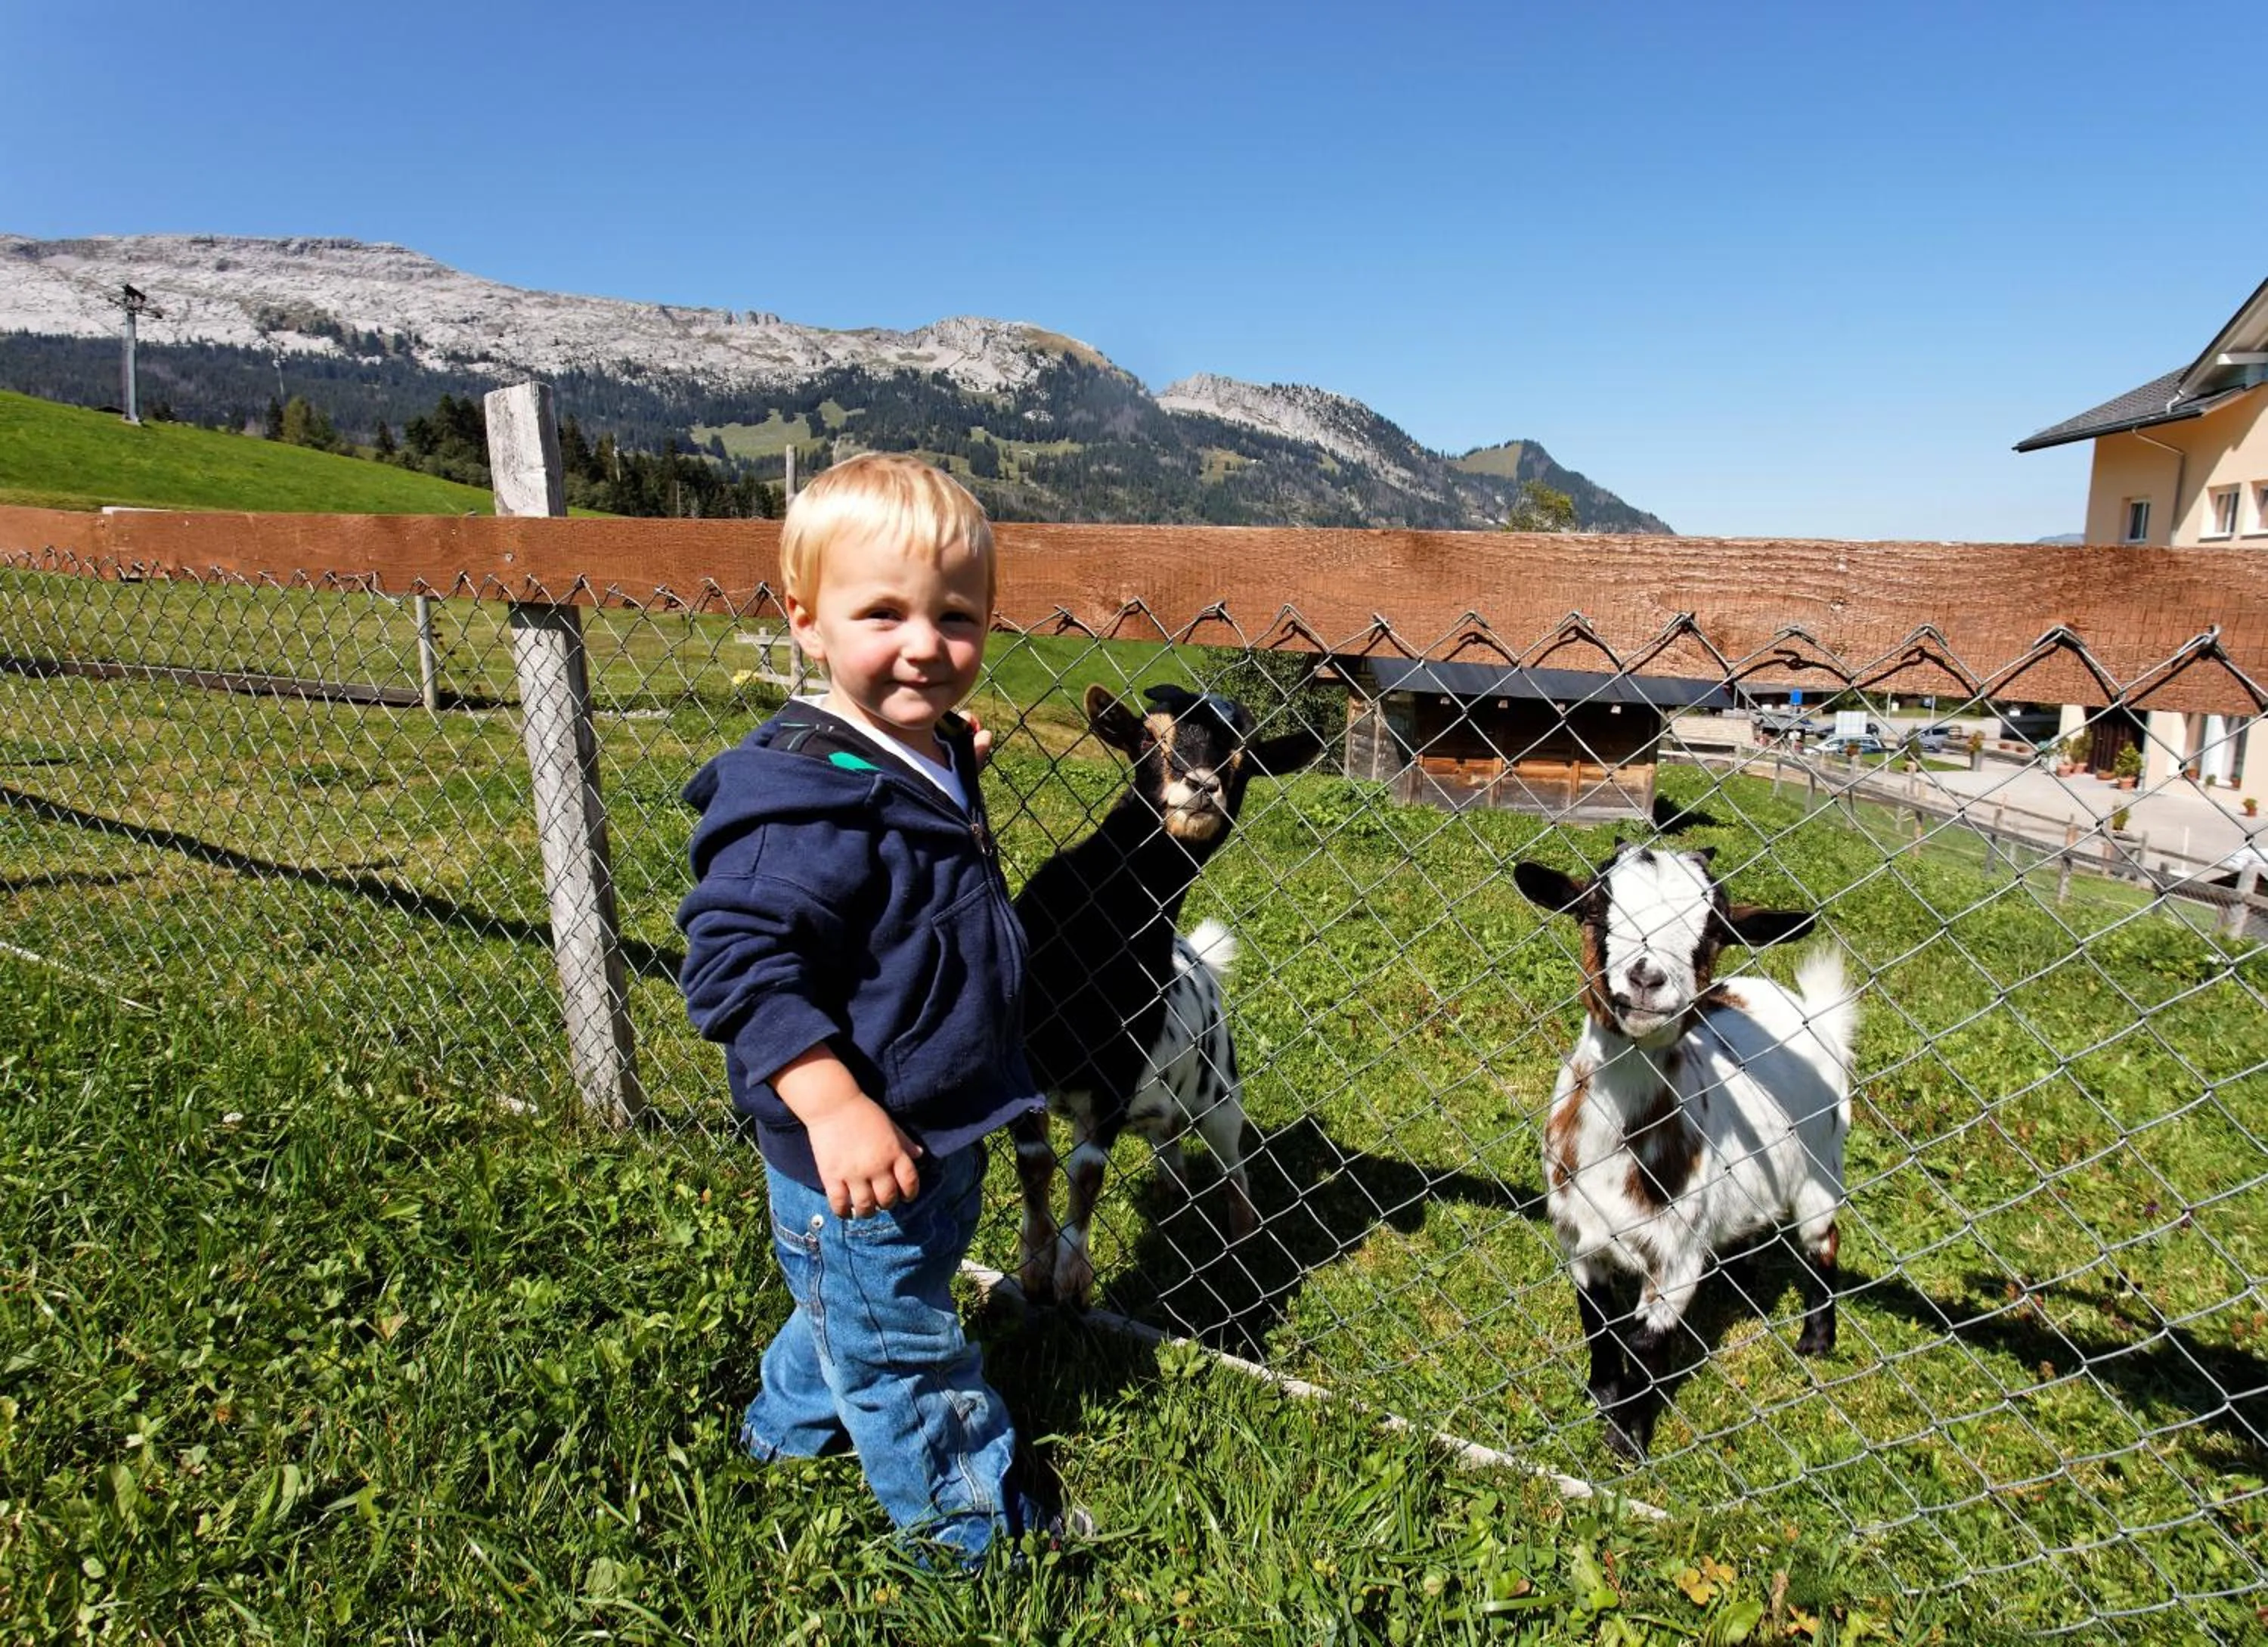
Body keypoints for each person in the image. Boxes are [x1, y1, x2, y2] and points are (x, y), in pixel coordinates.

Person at [676, 453, 1056, 1565]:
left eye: (955, 615)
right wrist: (833, 1100)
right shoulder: (799, 804)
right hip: (851, 1152)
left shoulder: (910, 751)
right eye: (882, 612)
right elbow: (735, 960)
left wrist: (959, 762)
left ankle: (781, 1432)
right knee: (907, 1352)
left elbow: (915, 837)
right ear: (805, 621)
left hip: (933, 1130)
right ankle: (972, 1533)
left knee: (857, 1309)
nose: (926, 645)